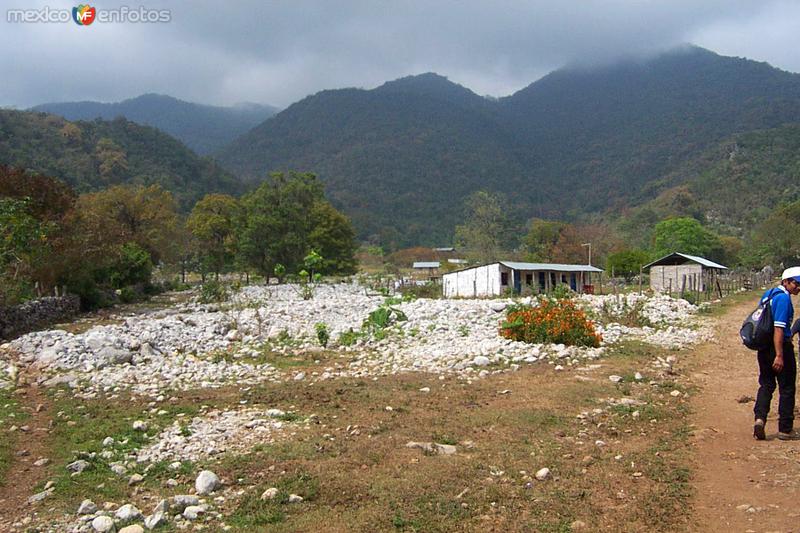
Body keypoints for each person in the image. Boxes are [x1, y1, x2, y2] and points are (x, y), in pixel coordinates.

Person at [753, 267, 800, 440]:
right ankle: (785, 429)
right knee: (787, 387)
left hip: (763, 348)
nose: (798, 287)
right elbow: (779, 329)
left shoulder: (768, 295)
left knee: (766, 384)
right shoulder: (783, 299)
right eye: (796, 283)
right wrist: (779, 355)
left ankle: (759, 419)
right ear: (786, 281)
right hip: (779, 347)